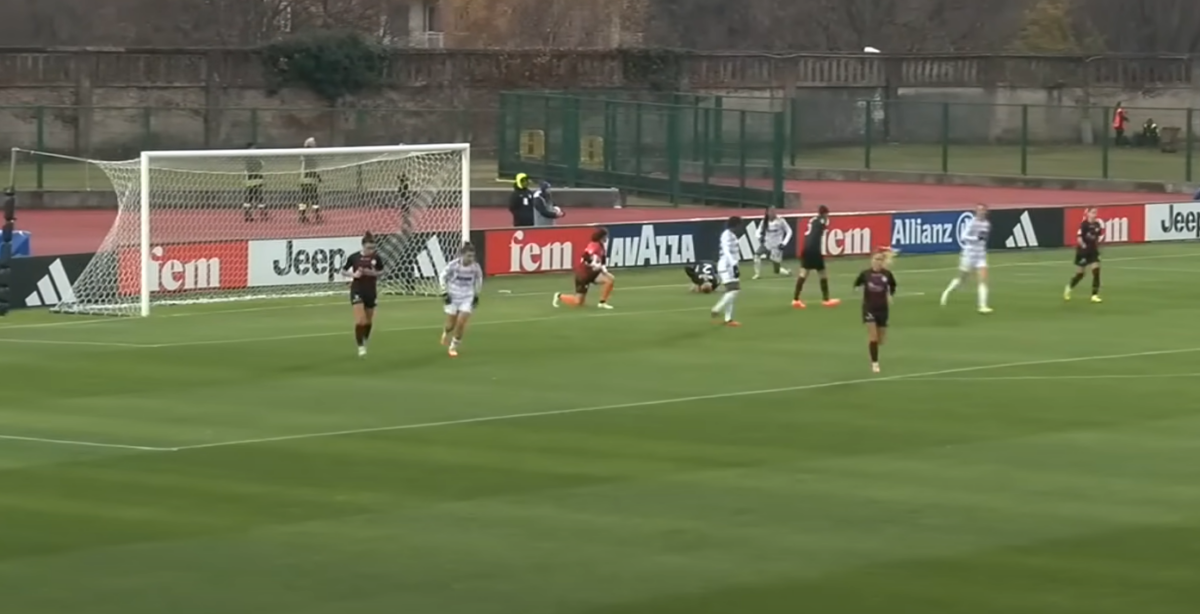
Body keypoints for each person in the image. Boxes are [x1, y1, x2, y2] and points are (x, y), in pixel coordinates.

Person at [940, 204, 992, 314]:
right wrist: (975, 238)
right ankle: (947, 292)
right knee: (962, 279)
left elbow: (983, 239)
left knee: (983, 280)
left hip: (980, 255)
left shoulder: (986, 224)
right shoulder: (972, 223)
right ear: (976, 212)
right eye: (979, 210)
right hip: (969, 254)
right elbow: (963, 237)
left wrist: (980, 241)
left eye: (983, 210)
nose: (981, 212)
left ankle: (982, 306)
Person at [853, 248, 897, 374]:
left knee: (881, 340)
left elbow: (893, 286)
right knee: (873, 337)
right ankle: (875, 363)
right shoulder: (865, 274)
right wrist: (857, 289)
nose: (878, 262)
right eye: (876, 259)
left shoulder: (887, 274)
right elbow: (857, 284)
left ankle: (875, 350)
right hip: (869, 308)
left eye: (880, 260)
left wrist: (890, 295)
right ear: (871, 260)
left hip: (883, 309)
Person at [342, 232, 385, 357]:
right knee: (361, 320)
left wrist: (372, 273)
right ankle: (360, 346)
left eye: (373, 248)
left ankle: (365, 339)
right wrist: (354, 275)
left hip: (370, 291)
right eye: (368, 248)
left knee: (368, 321)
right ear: (363, 246)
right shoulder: (354, 257)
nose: (371, 250)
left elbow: (381, 272)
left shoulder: (376, 258)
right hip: (357, 289)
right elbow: (343, 271)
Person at [440, 243, 484, 357]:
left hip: (467, 297)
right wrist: (444, 292)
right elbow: (442, 276)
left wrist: (476, 294)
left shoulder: (475, 267)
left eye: (472, 256)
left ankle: (453, 347)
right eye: (468, 256)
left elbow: (479, 280)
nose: (471, 259)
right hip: (453, 296)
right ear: (462, 255)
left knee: (461, 322)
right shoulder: (453, 265)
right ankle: (445, 332)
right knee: (451, 325)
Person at [553, 228, 614, 309]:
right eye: (606, 236)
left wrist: (605, 272)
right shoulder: (594, 245)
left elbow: (603, 261)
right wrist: (593, 264)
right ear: (602, 237)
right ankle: (559, 296)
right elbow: (585, 256)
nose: (607, 238)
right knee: (578, 302)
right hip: (583, 274)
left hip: (592, 273)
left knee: (609, 280)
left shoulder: (601, 246)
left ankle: (602, 303)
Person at [792, 205, 840, 308]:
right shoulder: (823, 220)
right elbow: (824, 225)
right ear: (825, 214)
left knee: (803, 273)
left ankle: (795, 299)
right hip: (815, 250)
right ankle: (826, 299)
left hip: (806, 248)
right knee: (822, 273)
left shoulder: (813, 220)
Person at [1065, 207, 1103, 303]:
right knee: (1080, 274)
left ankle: (1094, 295)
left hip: (1093, 251)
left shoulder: (1097, 225)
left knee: (1096, 271)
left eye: (1095, 212)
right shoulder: (1084, 224)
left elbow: (1098, 237)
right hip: (1083, 252)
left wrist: (1096, 247)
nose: (1094, 214)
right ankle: (1069, 287)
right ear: (1088, 214)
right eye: (1092, 212)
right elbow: (1079, 238)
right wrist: (1084, 247)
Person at [711, 216, 743, 326]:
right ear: (736, 225)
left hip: (732, 266)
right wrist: (733, 263)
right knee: (734, 290)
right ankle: (717, 308)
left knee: (732, 292)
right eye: (739, 225)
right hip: (726, 265)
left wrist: (735, 264)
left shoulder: (732, 235)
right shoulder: (726, 235)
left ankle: (728, 319)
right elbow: (726, 250)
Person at [753, 206, 792, 279]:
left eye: (774, 211)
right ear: (767, 212)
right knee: (756, 255)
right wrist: (759, 237)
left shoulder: (781, 221)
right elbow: (758, 231)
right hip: (767, 244)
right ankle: (757, 274)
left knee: (776, 270)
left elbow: (789, 231)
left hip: (777, 245)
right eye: (771, 211)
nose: (773, 213)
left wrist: (784, 243)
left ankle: (787, 272)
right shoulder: (764, 221)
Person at [298, 137, 321, 223]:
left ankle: (302, 216)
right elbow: (312, 168)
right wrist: (317, 176)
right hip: (310, 179)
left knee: (304, 198)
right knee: (314, 198)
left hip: (303, 179)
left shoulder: (304, 155)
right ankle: (317, 216)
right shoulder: (310, 155)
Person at [243, 143, 266, 222]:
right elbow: (259, 166)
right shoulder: (251, 159)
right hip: (252, 181)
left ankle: (259, 214)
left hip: (256, 181)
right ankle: (249, 214)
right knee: (255, 198)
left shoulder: (253, 158)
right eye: (253, 148)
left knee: (256, 198)